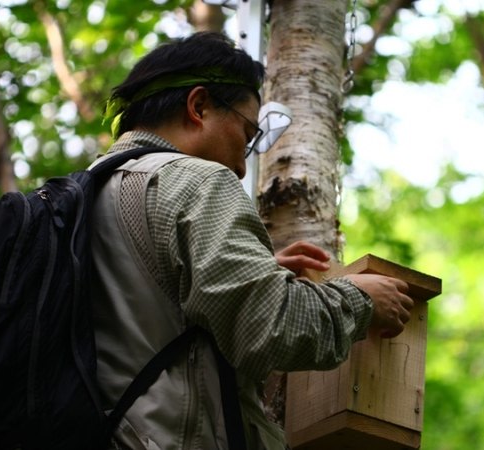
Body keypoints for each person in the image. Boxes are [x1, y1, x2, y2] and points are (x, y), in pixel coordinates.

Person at [89, 32, 414, 450]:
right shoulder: (198, 181)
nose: (243, 168)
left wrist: (254, 271)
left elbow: (145, 309)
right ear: (199, 106)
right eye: (245, 135)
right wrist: (361, 300)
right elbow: (273, 328)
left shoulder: (89, 194)